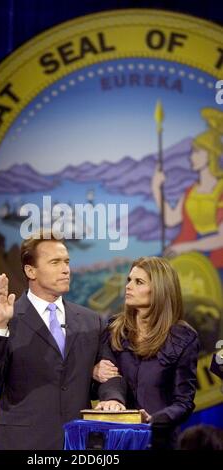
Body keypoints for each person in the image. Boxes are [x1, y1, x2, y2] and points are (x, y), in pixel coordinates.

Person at [0, 231, 125, 450]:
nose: (66, 269)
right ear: (30, 271)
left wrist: (112, 398)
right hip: (22, 444)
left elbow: (110, 374)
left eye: (67, 262)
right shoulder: (7, 321)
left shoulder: (91, 322)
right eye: (55, 262)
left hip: (78, 444)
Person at [96, 256, 200, 449]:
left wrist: (154, 419)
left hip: (158, 440)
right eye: (129, 280)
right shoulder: (114, 329)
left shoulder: (183, 338)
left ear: (159, 290)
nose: (128, 286)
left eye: (139, 282)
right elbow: (106, 380)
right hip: (116, 439)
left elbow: (184, 402)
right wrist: (108, 392)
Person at [151, 108, 223, 269]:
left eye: (196, 152)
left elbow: (221, 239)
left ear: (210, 155)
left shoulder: (221, 191)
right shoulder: (191, 190)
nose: (191, 157)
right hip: (189, 252)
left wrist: (186, 247)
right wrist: (156, 188)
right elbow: (171, 219)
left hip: (212, 259)